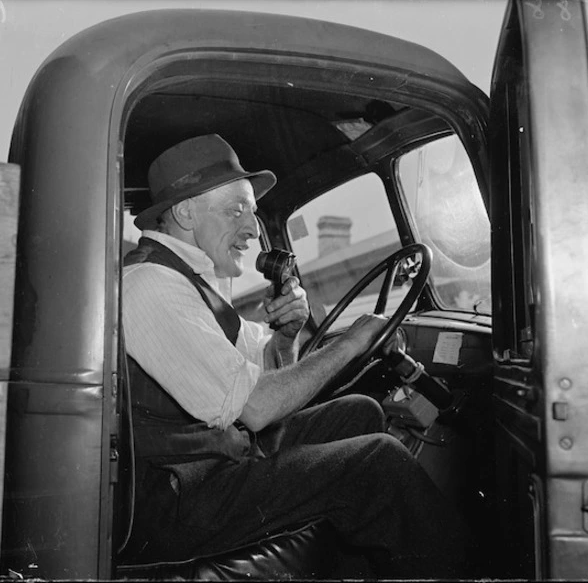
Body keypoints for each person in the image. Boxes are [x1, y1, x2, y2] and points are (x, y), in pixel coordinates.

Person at [121, 134, 472, 578]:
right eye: (237, 210)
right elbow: (257, 407)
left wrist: (286, 337)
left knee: (359, 412)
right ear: (186, 212)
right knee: (377, 462)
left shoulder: (191, 282)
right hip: (179, 499)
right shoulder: (150, 284)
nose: (251, 229)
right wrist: (354, 340)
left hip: (211, 465)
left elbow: (269, 376)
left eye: (251, 211)